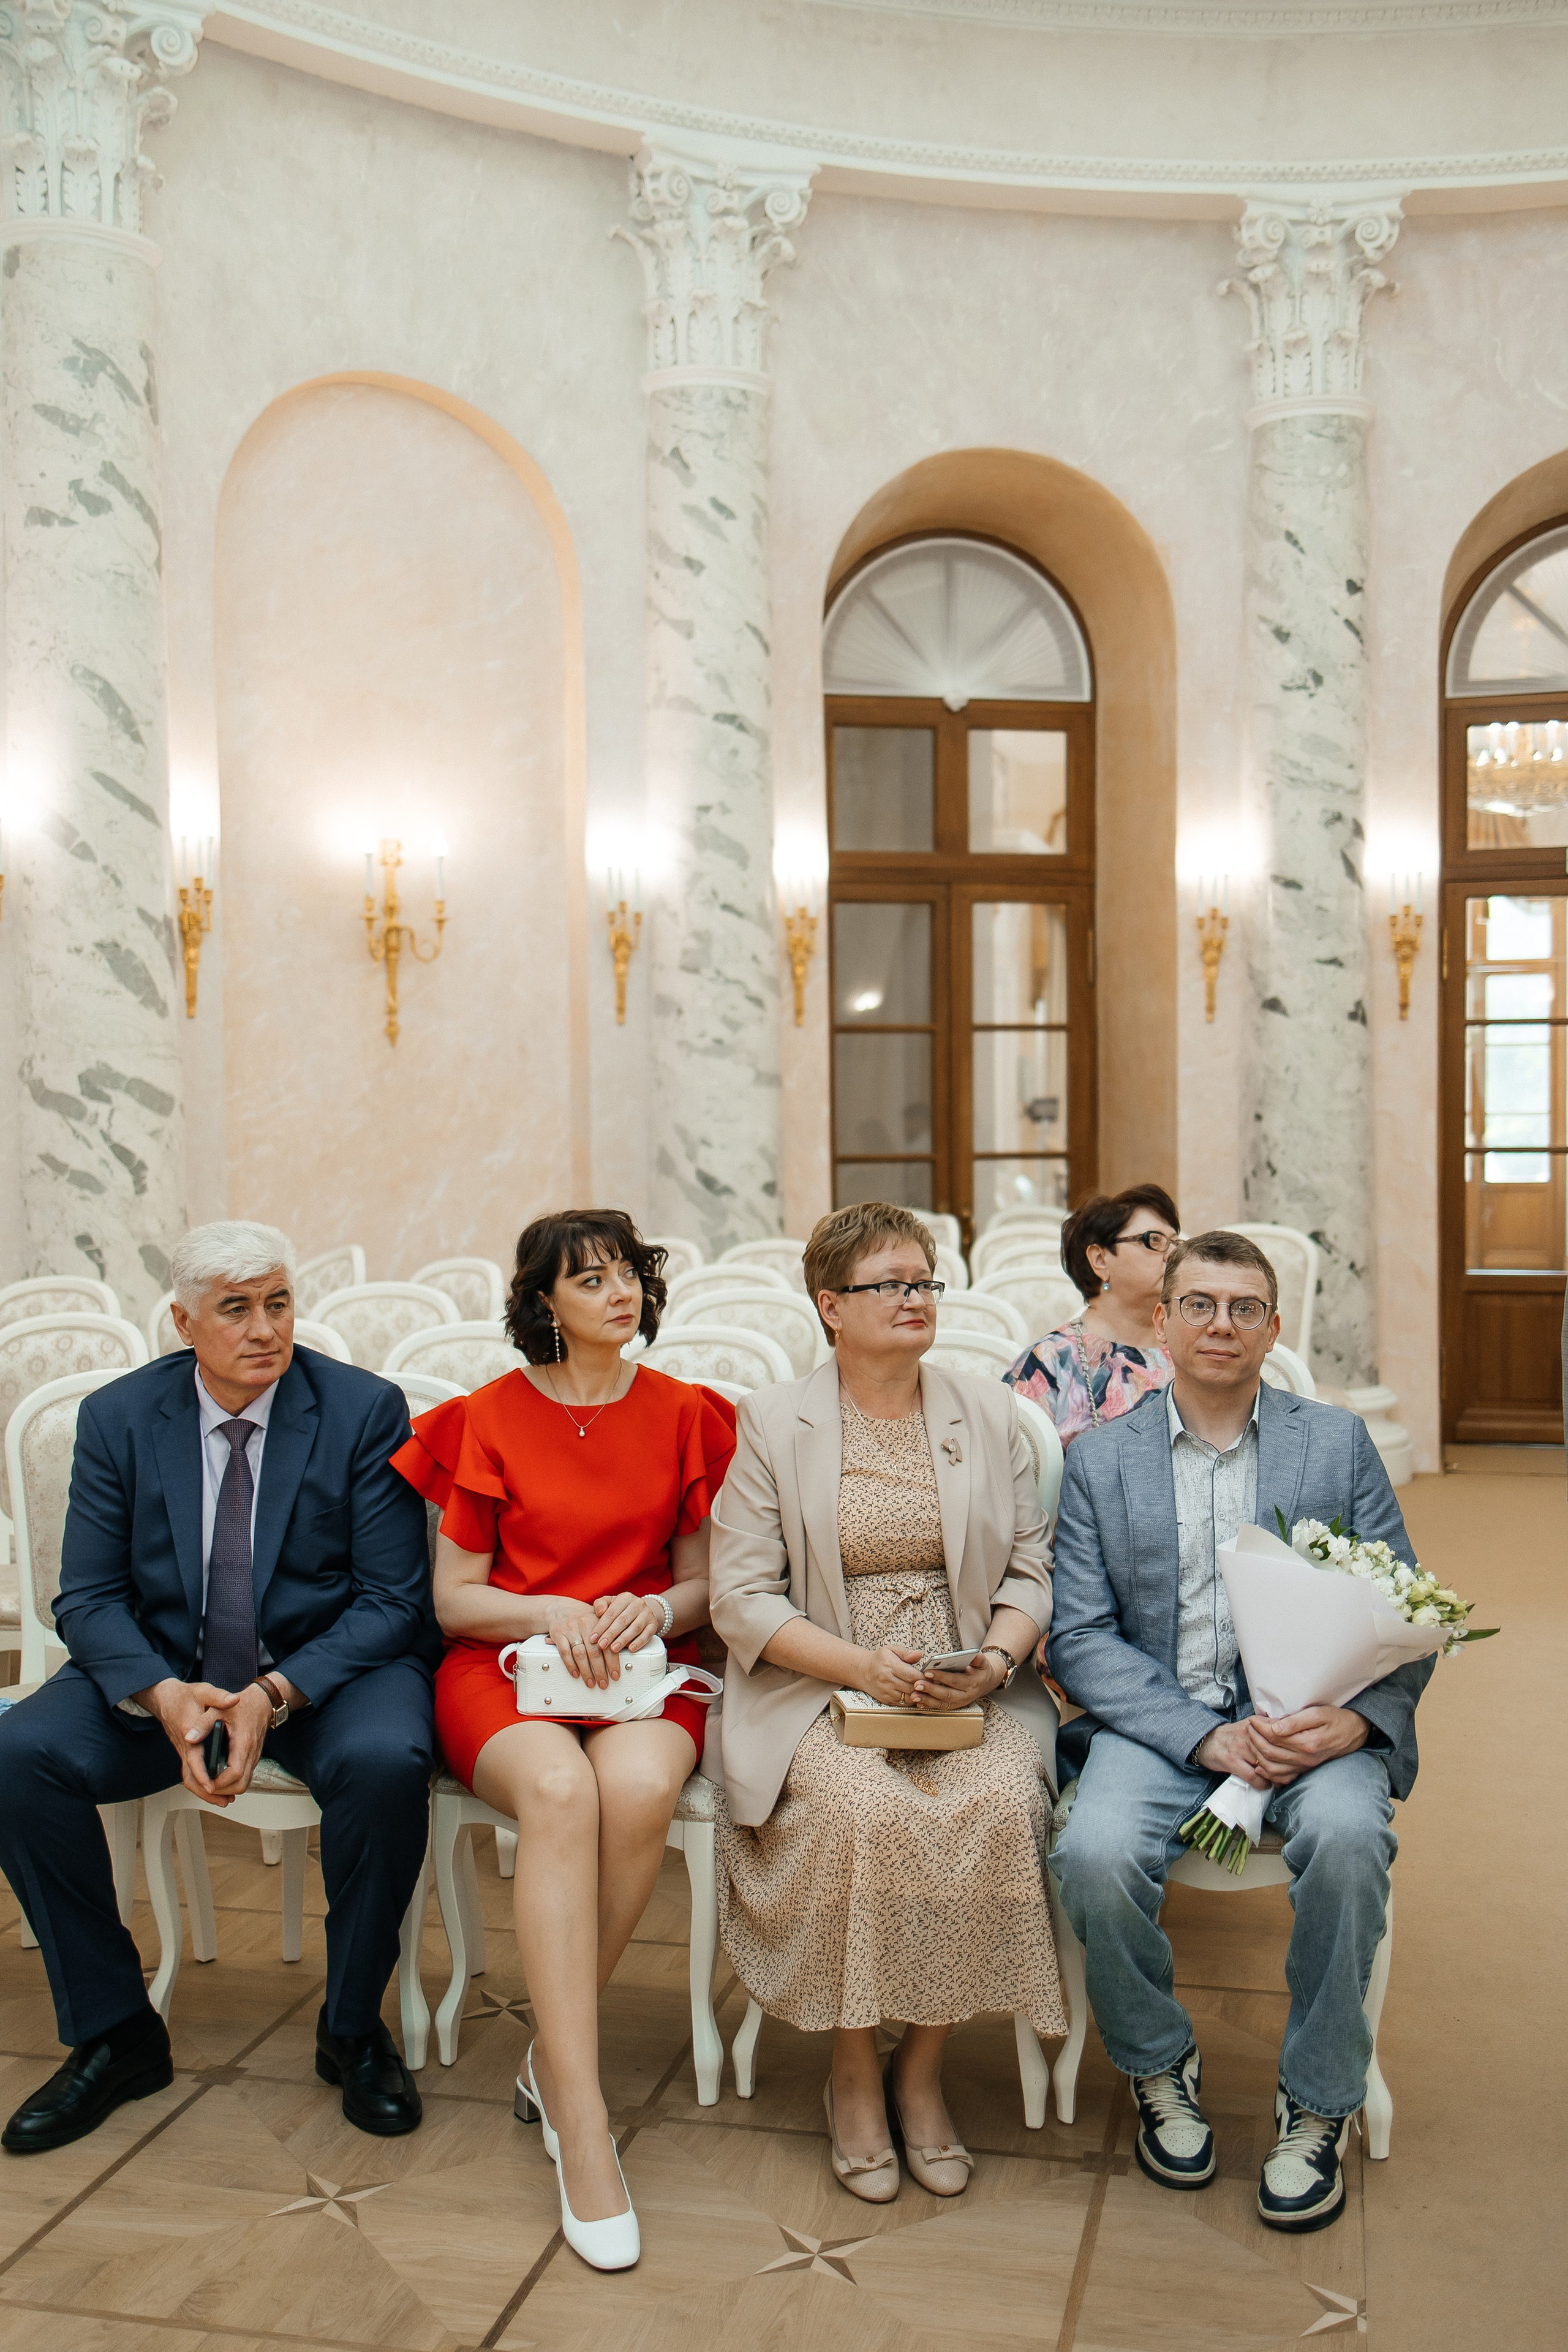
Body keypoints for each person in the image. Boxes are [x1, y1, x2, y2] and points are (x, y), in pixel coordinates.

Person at [0, 1221, 439, 2157]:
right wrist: (163, 1692)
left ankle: (353, 2028)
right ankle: (117, 2033)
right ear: (183, 1323)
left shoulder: (362, 1409)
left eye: (277, 1303)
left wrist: (273, 1694)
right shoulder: (121, 1417)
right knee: (18, 1753)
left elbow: (394, 1600)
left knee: (387, 1761)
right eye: (235, 1310)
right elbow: (86, 1595)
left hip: (326, 1676)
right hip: (172, 1671)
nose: (264, 1329)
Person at [1047, 1229, 1431, 2235]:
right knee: (1091, 1852)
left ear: (1272, 1326)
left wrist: (1352, 1720)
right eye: (1202, 1305)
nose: (1223, 1325)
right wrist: (1202, 1739)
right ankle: (1159, 2060)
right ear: (1162, 1320)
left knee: (1350, 1843)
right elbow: (1081, 1637)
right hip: (1163, 1722)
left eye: (1245, 1308)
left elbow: (1407, 1611)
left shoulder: (1334, 1445)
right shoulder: (1100, 1460)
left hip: (1315, 1725)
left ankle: (1318, 2096)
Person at [391, 1208, 734, 2274]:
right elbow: (453, 1599)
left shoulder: (686, 1412)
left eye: (627, 1271)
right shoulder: (485, 1417)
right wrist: (556, 1614)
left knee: (632, 1793)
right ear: (544, 1301)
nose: (617, 1291)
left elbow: (708, 1578)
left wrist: (657, 1612)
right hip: (505, 1666)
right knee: (561, 1794)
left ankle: (549, 2056)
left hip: (645, 1668)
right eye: (589, 1279)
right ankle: (582, 2124)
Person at [710, 1202, 1064, 2207]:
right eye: (891, 1285)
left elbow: (1031, 1569)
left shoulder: (985, 1412)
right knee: (867, 1814)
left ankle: (923, 2072)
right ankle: (855, 2070)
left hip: (963, 1678)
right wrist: (858, 1667)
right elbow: (741, 1596)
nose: (917, 1300)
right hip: (818, 1681)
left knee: (993, 1805)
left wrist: (994, 1662)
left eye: (925, 1282)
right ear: (831, 1305)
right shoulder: (775, 1421)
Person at [1005, 1185, 1179, 1446]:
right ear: (1100, 1259)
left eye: (1177, 1243)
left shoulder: (1193, 1347)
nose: (1173, 1255)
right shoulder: (1048, 1364)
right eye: (1154, 1240)